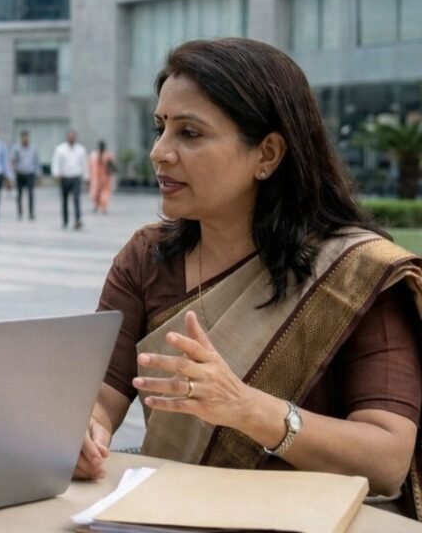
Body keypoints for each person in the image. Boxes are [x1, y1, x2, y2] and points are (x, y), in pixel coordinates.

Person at [75, 38, 422, 519]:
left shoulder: (354, 275)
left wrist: (248, 409)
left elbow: (386, 460)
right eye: (160, 128)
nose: (160, 153)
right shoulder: (146, 259)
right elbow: (100, 400)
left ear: (268, 154)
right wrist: (85, 433)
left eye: (189, 134)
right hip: (168, 518)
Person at [51, 129, 89, 230]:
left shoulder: (81, 149)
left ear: (76, 138)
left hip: (76, 177)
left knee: (76, 199)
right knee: (65, 200)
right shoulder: (60, 149)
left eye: (73, 136)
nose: (71, 138)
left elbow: (84, 164)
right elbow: (56, 162)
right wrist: (56, 174)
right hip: (64, 177)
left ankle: (77, 220)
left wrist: (86, 177)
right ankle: (65, 220)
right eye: (70, 136)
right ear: (67, 137)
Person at [11, 130, 39, 221]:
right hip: (20, 174)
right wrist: (12, 174)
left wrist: (38, 174)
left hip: (30, 174)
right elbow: (13, 161)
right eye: (24, 137)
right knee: (19, 195)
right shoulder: (16, 148)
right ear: (21, 138)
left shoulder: (33, 148)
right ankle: (20, 213)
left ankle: (31, 213)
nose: (25, 139)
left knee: (31, 194)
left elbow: (36, 161)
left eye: (27, 137)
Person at [88, 140, 116, 213]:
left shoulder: (108, 155)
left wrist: (110, 166)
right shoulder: (93, 155)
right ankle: (96, 205)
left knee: (105, 193)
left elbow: (113, 167)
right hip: (95, 177)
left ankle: (103, 207)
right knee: (95, 193)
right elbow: (90, 166)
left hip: (105, 178)